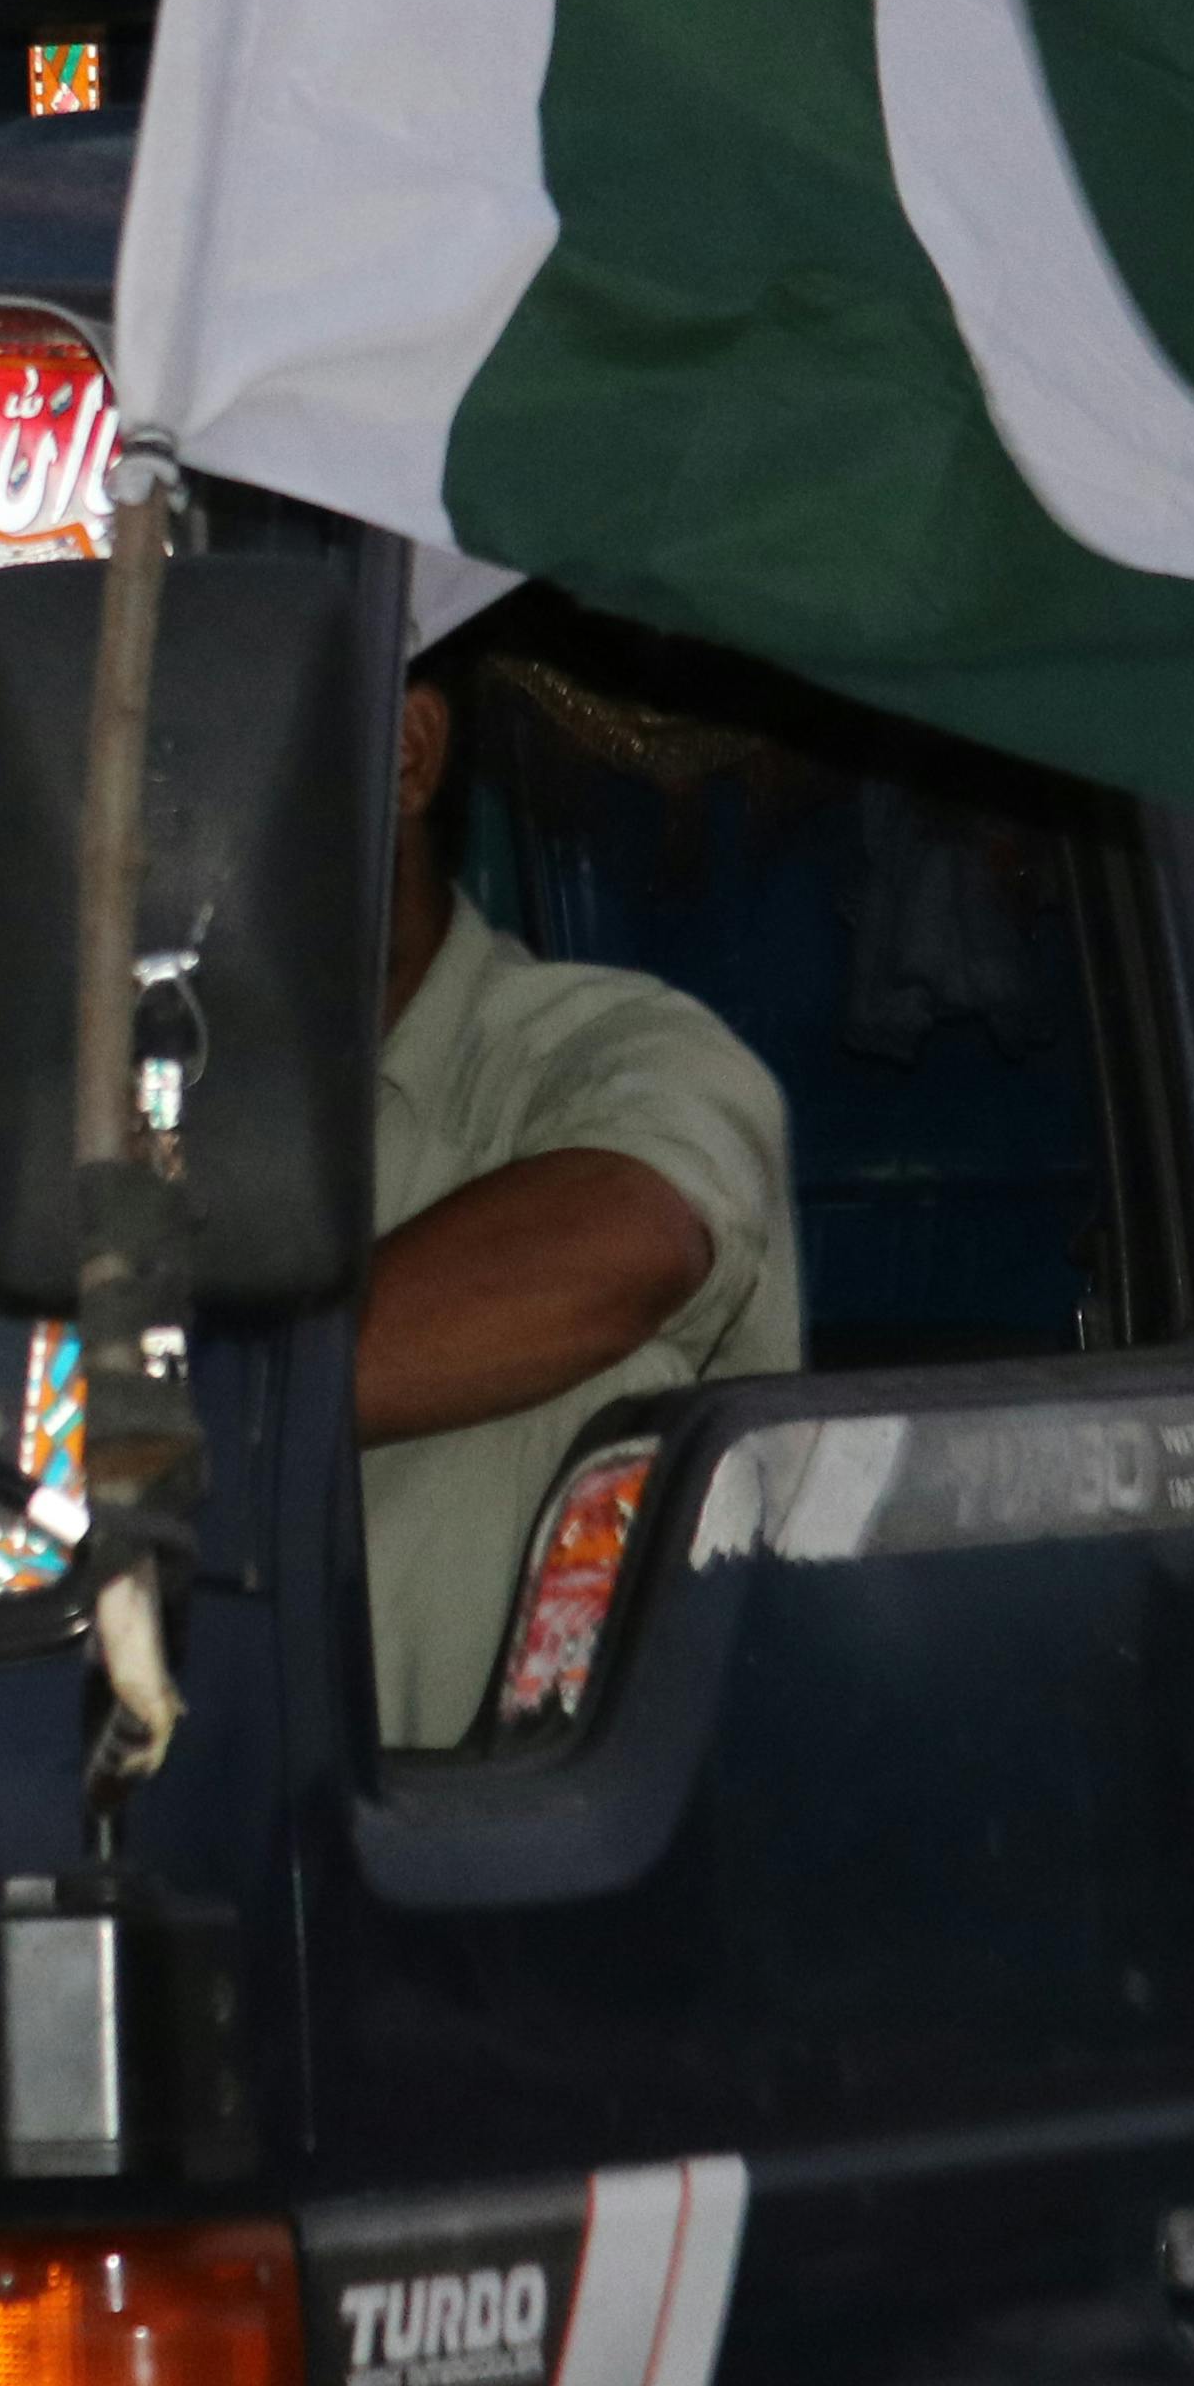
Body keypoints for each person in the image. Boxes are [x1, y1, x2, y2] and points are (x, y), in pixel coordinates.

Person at [355, 665, 801, 1750]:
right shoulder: (53, 1112)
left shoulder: (605, 1051)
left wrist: (165, 1394)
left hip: (468, 1832)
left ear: (407, 751)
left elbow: (635, 1234)